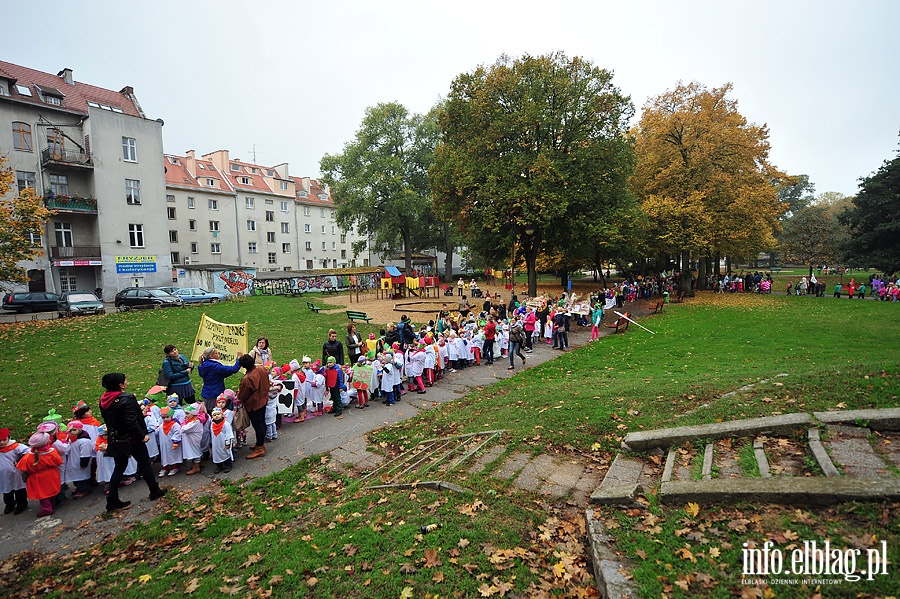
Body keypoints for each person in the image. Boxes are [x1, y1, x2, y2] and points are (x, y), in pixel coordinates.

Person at [98, 372, 168, 511]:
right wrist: (141, 436)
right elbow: (131, 422)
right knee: (144, 463)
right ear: (120, 384)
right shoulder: (126, 399)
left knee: (119, 467)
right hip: (132, 438)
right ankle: (154, 490)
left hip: (116, 438)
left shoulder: (104, 400)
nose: (127, 382)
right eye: (125, 380)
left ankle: (112, 498)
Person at [16, 432, 63, 517]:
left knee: (43, 494)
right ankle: (52, 504)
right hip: (52, 475)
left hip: (37, 478)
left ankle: (47, 509)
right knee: (52, 491)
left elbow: (23, 467)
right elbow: (59, 461)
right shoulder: (52, 452)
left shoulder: (29, 456)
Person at [237, 354, 270, 459]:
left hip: (254, 405)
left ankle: (260, 448)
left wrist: (238, 393)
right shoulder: (261, 368)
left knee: (258, 425)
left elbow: (243, 395)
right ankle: (260, 443)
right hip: (263, 399)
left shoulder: (247, 379)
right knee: (262, 423)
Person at [197, 346, 243, 413]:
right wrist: (239, 358)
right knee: (218, 414)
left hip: (207, 393)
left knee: (211, 413)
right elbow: (234, 369)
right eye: (216, 353)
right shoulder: (215, 366)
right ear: (211, 356)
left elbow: (219, 375)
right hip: (215, 393)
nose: (218, 354)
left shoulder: (204, 365)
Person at [0, 428, 29, 515]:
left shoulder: (15, 447)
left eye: (4, 440)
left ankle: (22, 504)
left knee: (19, 489)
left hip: (16, 474)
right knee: (6, 491)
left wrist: (19, 459)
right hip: (3, 475)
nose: (1, 443)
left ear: (8, 438)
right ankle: (9, 504)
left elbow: (27, 452)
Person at [209, 408, 235, 474]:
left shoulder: (226, 424)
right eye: (214, 415)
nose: (216, 416)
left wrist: (228, 444)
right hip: (216, 443)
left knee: (225, 453)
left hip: (224, 442)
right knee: (217, 454)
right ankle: (219, 466)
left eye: (218, 414)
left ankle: (228, 465)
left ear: (222, 415)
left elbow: (229, 434)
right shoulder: (212, 424)